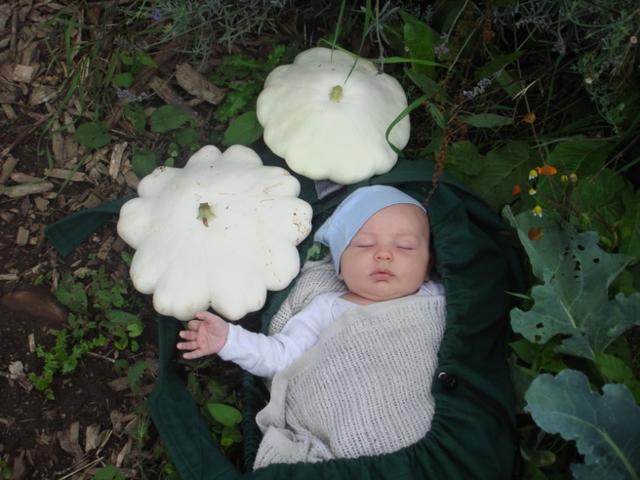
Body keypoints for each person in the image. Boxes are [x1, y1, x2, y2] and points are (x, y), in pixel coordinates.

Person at [176, 185, 444, 377]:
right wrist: (230, 340)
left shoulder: (440, 299)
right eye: (364, 244)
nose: (384, 254)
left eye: (405, 246)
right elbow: (282, 358)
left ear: (429, 265)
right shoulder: (324, 310)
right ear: (338, 266)